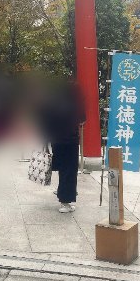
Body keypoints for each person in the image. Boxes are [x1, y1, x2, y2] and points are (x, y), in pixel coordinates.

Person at [39, 79, 85, 213]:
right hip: (70, 142)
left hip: (56, 141)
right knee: (69, 172)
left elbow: (44, 119)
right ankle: (65, 202)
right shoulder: (75, 105)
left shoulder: (53, 102)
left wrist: (47, 138)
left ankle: (61, 191)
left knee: (62, 168)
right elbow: (82, 120)